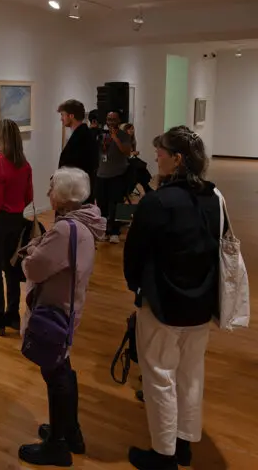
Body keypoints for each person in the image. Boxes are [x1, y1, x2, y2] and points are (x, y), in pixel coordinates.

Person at [124, 126, 222, 470]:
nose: (156, 157)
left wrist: (138, 287)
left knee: (160, 376)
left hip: (163, 303)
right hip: (201, 304)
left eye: (161, 152)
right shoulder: (215, 198)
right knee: (191, 375)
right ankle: (183, 445)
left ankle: (163, 454)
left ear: (177, 159)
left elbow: (134, 254)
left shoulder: (157, 201)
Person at [17, 167, 106, 467]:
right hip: (69, 306)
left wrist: (31, 254)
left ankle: (57, 445)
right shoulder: (86, 222)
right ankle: (69, 431)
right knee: (62, 368)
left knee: (55, 373)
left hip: (55, 308)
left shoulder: (67, 229)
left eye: (52, 188)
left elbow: (35, 268)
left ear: (66, 196)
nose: (48, 193)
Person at [0, 119, 34, 335]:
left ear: (0, 137)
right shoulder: (24, 165)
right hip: (16, 220)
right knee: (11, 267)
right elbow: (29, 196)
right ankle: (13, 314)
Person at [95, 111, 132, 243]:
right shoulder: (101, 135)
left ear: (119, 121)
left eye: (113, 119)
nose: (110, 122)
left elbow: (127, 152)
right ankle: (104, 231)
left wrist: (116, 139)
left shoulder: (123, 135)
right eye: (108, 119)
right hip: (101, 174)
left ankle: (115, 232)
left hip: (117, 174)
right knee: (102, 205)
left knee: (117, 204)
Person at [58, 99, 99, 203]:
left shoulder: (83, 137)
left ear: (71, 116)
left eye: (63, 115)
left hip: (77, 194)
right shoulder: (83, 134)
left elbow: (78, 166)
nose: (61, 119)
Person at [123, 123, 153, 195]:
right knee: (139, 170)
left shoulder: (132, 141)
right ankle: (147, 188)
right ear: (125, 130)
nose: (131, 131)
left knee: (139, 171)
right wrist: (132, 154)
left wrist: (133, 153)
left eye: (132, 129)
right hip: (125, 162)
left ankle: (146, 188)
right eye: (129, 129)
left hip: (131, 161)